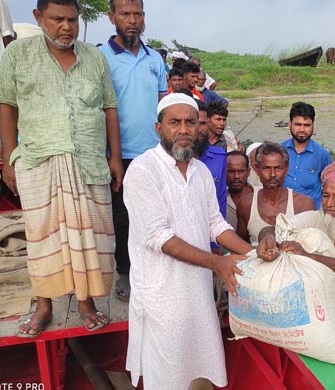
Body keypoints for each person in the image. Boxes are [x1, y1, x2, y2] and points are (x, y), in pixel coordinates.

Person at [0, 0, 122, 336]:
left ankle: (86, 303)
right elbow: (7, 107)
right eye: (57, 19)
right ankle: (45, 305)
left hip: (89, 163)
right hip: (39, 162)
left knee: (91, 238)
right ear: (38, 18)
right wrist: (9, 159)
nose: (66, 26)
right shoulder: (17, 55)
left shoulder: (94, 58)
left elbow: (109, 108)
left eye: (72, 20)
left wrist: (115, 157)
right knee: (42, 240)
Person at [123, 93, 254, 389]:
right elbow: (160, 237)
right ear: (159, 129)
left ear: (200, 129)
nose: (183, 129)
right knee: (167, 376)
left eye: (190, 122)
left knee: (200, 373)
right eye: (174, 122)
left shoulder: (201, 171)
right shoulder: (143, 170)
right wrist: (217, 262)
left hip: (197, 295)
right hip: (161, 298)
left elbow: (215, 224)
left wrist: (252, 253)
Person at [257, 160, 335, 374]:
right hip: (312, 328)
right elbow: (272, 228)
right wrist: (267, 238)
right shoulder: (313, 219)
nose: (329, 203)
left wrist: (307, 256)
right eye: (325, 195)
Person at [100, 0, 168, 302]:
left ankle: (156, 266)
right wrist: (113, 157)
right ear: (111, 16)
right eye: (125, 14)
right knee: (123, 217)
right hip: (120, 154)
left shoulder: (156, 59)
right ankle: (125, 273)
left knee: (159, 213)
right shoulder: (100, 58)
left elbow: (164, 106)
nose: (132, 20)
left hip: (155, 154)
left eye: (138, 14)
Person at [236, 141, 314, 245]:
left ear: (287, 169)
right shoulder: (246, 204)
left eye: (278, 168)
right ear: (257, 168)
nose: (272, 174)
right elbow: (242, 246)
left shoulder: (303, 204)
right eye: (266, 168)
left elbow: (311, 246)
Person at [281, 102, 333, 208]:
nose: (302, 130)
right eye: (298, 124)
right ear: (290, 124)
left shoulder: (321, 155)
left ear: (313, 125)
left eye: (307, 125)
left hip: (311, 216)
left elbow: (332, 185)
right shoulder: (279, 151)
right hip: (282, 213)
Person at [196, 101, 227, 254]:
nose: (199, 130)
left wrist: (215, 244)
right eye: (192, 123)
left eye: (202, 123)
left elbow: (220, 202)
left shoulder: (219, 157)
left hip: (209, 239)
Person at [225, 150, 254, 230]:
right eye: (231, 171)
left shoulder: (261, 196)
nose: (236, 176)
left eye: (241, 171)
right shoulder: (218, 201)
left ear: (248, 172)